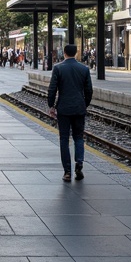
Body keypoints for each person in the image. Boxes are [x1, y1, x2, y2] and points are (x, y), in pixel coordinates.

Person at [47, 44, 93, 182]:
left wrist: (51, 106)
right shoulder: (84, 69)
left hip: (64, 109)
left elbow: (52, 89)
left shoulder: (58, 68)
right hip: (79, 108)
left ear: (64, 53)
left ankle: (67, 172)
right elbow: (89, 91)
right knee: (78, 137)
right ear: (76, 53)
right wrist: (84, 104)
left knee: (64, 139)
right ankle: (79, 164)